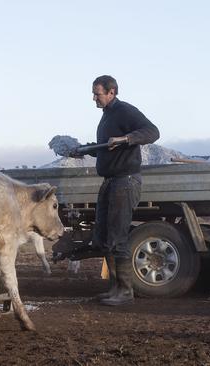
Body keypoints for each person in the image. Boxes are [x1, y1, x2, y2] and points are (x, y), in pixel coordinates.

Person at [73, 75, 159, 306]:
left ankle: (126, 292)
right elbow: (106, 148)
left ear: (111, 92)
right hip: (111, 181)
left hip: (125, 181)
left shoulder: (124, 111)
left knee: (118, 237)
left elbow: (152, 131)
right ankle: (114, 289)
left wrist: (126, 138)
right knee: (104, 237)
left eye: (97, 93)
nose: (94, 98)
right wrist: (83, 150)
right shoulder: (107, 117)